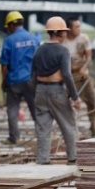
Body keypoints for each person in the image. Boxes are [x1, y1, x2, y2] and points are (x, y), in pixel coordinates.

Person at [31, 16, 81, 165]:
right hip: (56, 90)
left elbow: (32, 75)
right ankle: (72, 157)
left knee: (42, 129)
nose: (66, 34)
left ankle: (43, 159)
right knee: (68, 124)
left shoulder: (39, 50)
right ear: (59, 33)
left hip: (40, 90)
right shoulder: (63, 50)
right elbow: (67, 75)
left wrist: (36, 93)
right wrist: (75, 97)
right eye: (64, 32)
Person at [0, 11, 40, 145]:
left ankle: (14, 138)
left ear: (12, 25)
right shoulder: (34, 39)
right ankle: (42, 136)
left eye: (8, 26)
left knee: (12, 110)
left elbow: (4, 64)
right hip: (31, 80)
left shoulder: (9, 40)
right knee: (35, 109)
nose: (8, 29)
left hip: (14, 81)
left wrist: (4, 80)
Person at [63, 17, 95, 137]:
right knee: (65, 104)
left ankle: (93, 126)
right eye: (76, 27)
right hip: (69, 77)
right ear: (69, 29)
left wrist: (84, 68)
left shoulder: (84, 39)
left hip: (83, 75)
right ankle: (69, 129)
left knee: (91, 100)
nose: (79, 29)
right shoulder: (62, 41)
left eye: (79, 26)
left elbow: (89, 56)